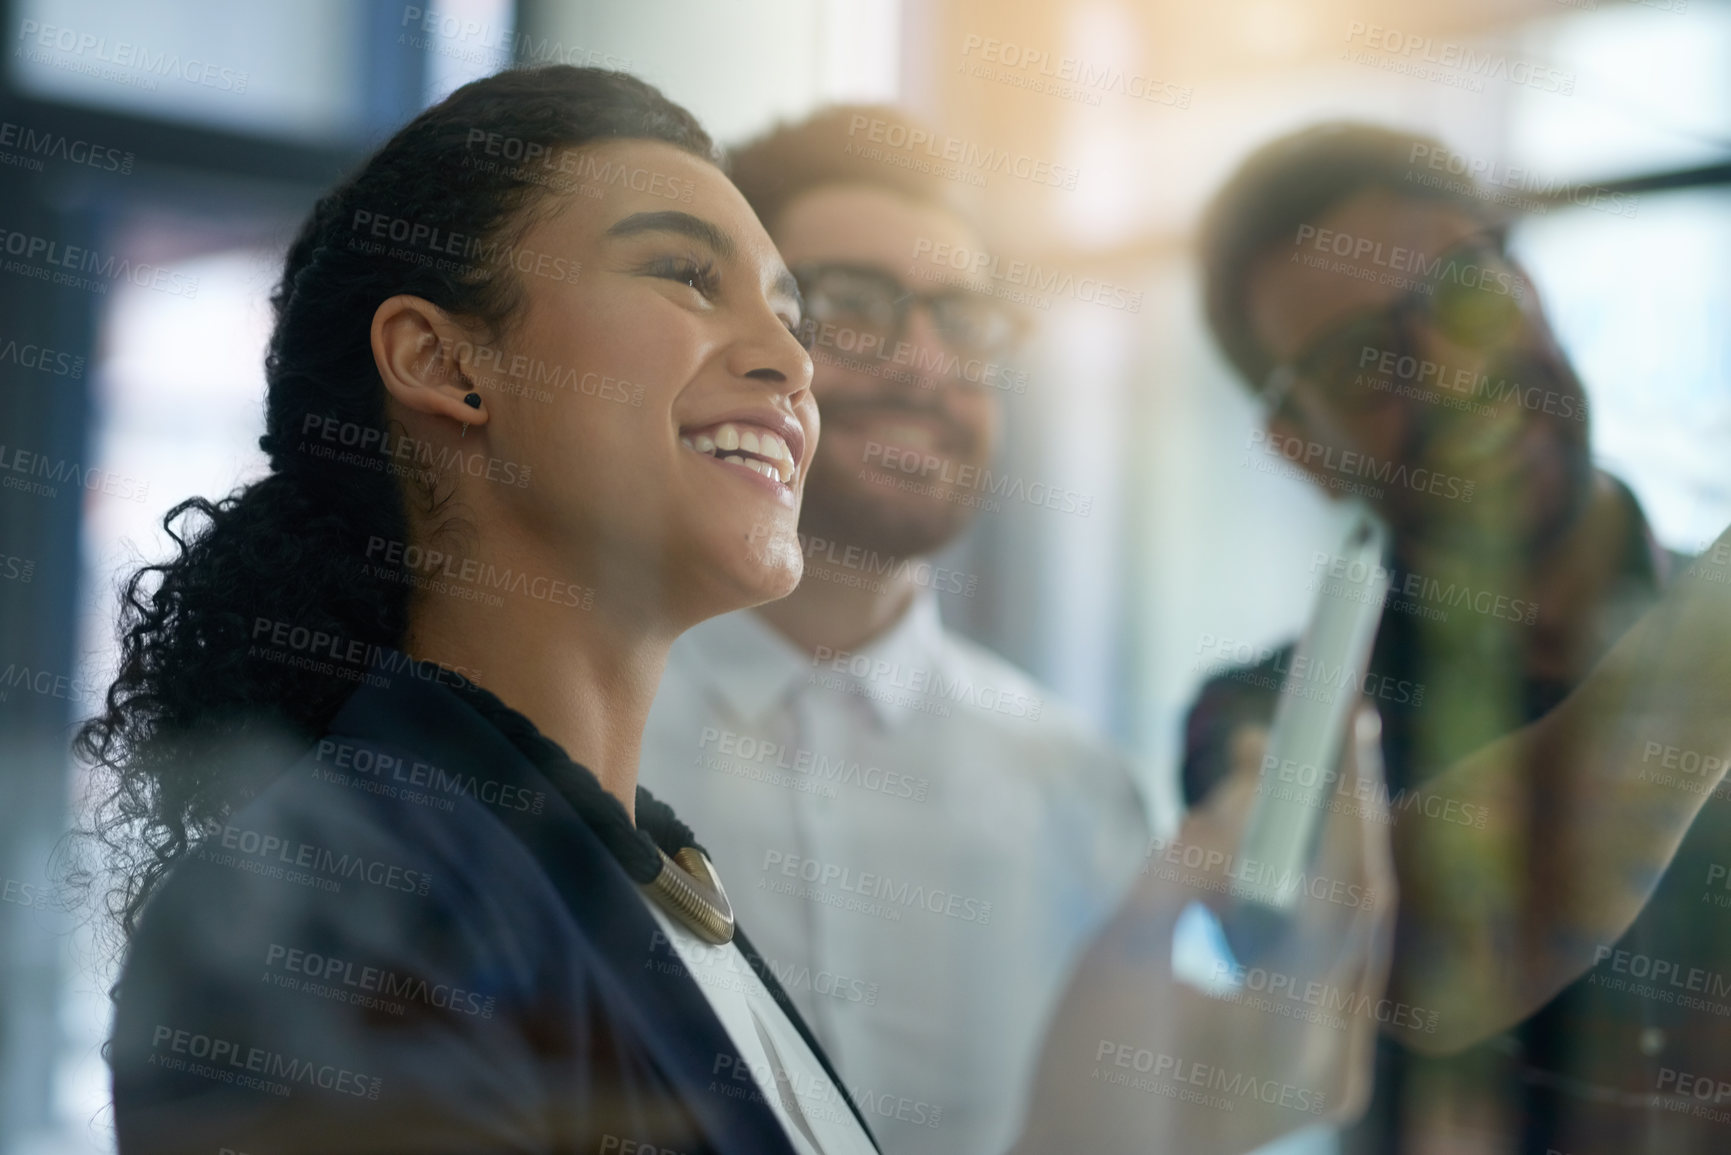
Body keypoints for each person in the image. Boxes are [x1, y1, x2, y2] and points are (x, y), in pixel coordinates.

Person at [82, 69, 1391, 1155]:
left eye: (788, 312)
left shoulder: (654, 881)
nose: (791, 361)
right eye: (682, 276)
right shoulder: (323, 905)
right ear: (443, 361)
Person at [637, 106, 1177, 1155]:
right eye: (850, 305)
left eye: (962, 321)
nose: (925, 365)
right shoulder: (576, 734)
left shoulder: (1079, 789)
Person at [1186, 121, 1731, 1153]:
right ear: (1301, 445)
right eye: (1365, 361)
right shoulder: (1265, 724)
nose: (1452, 372)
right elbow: (1386, 968)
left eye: (1467, 293)